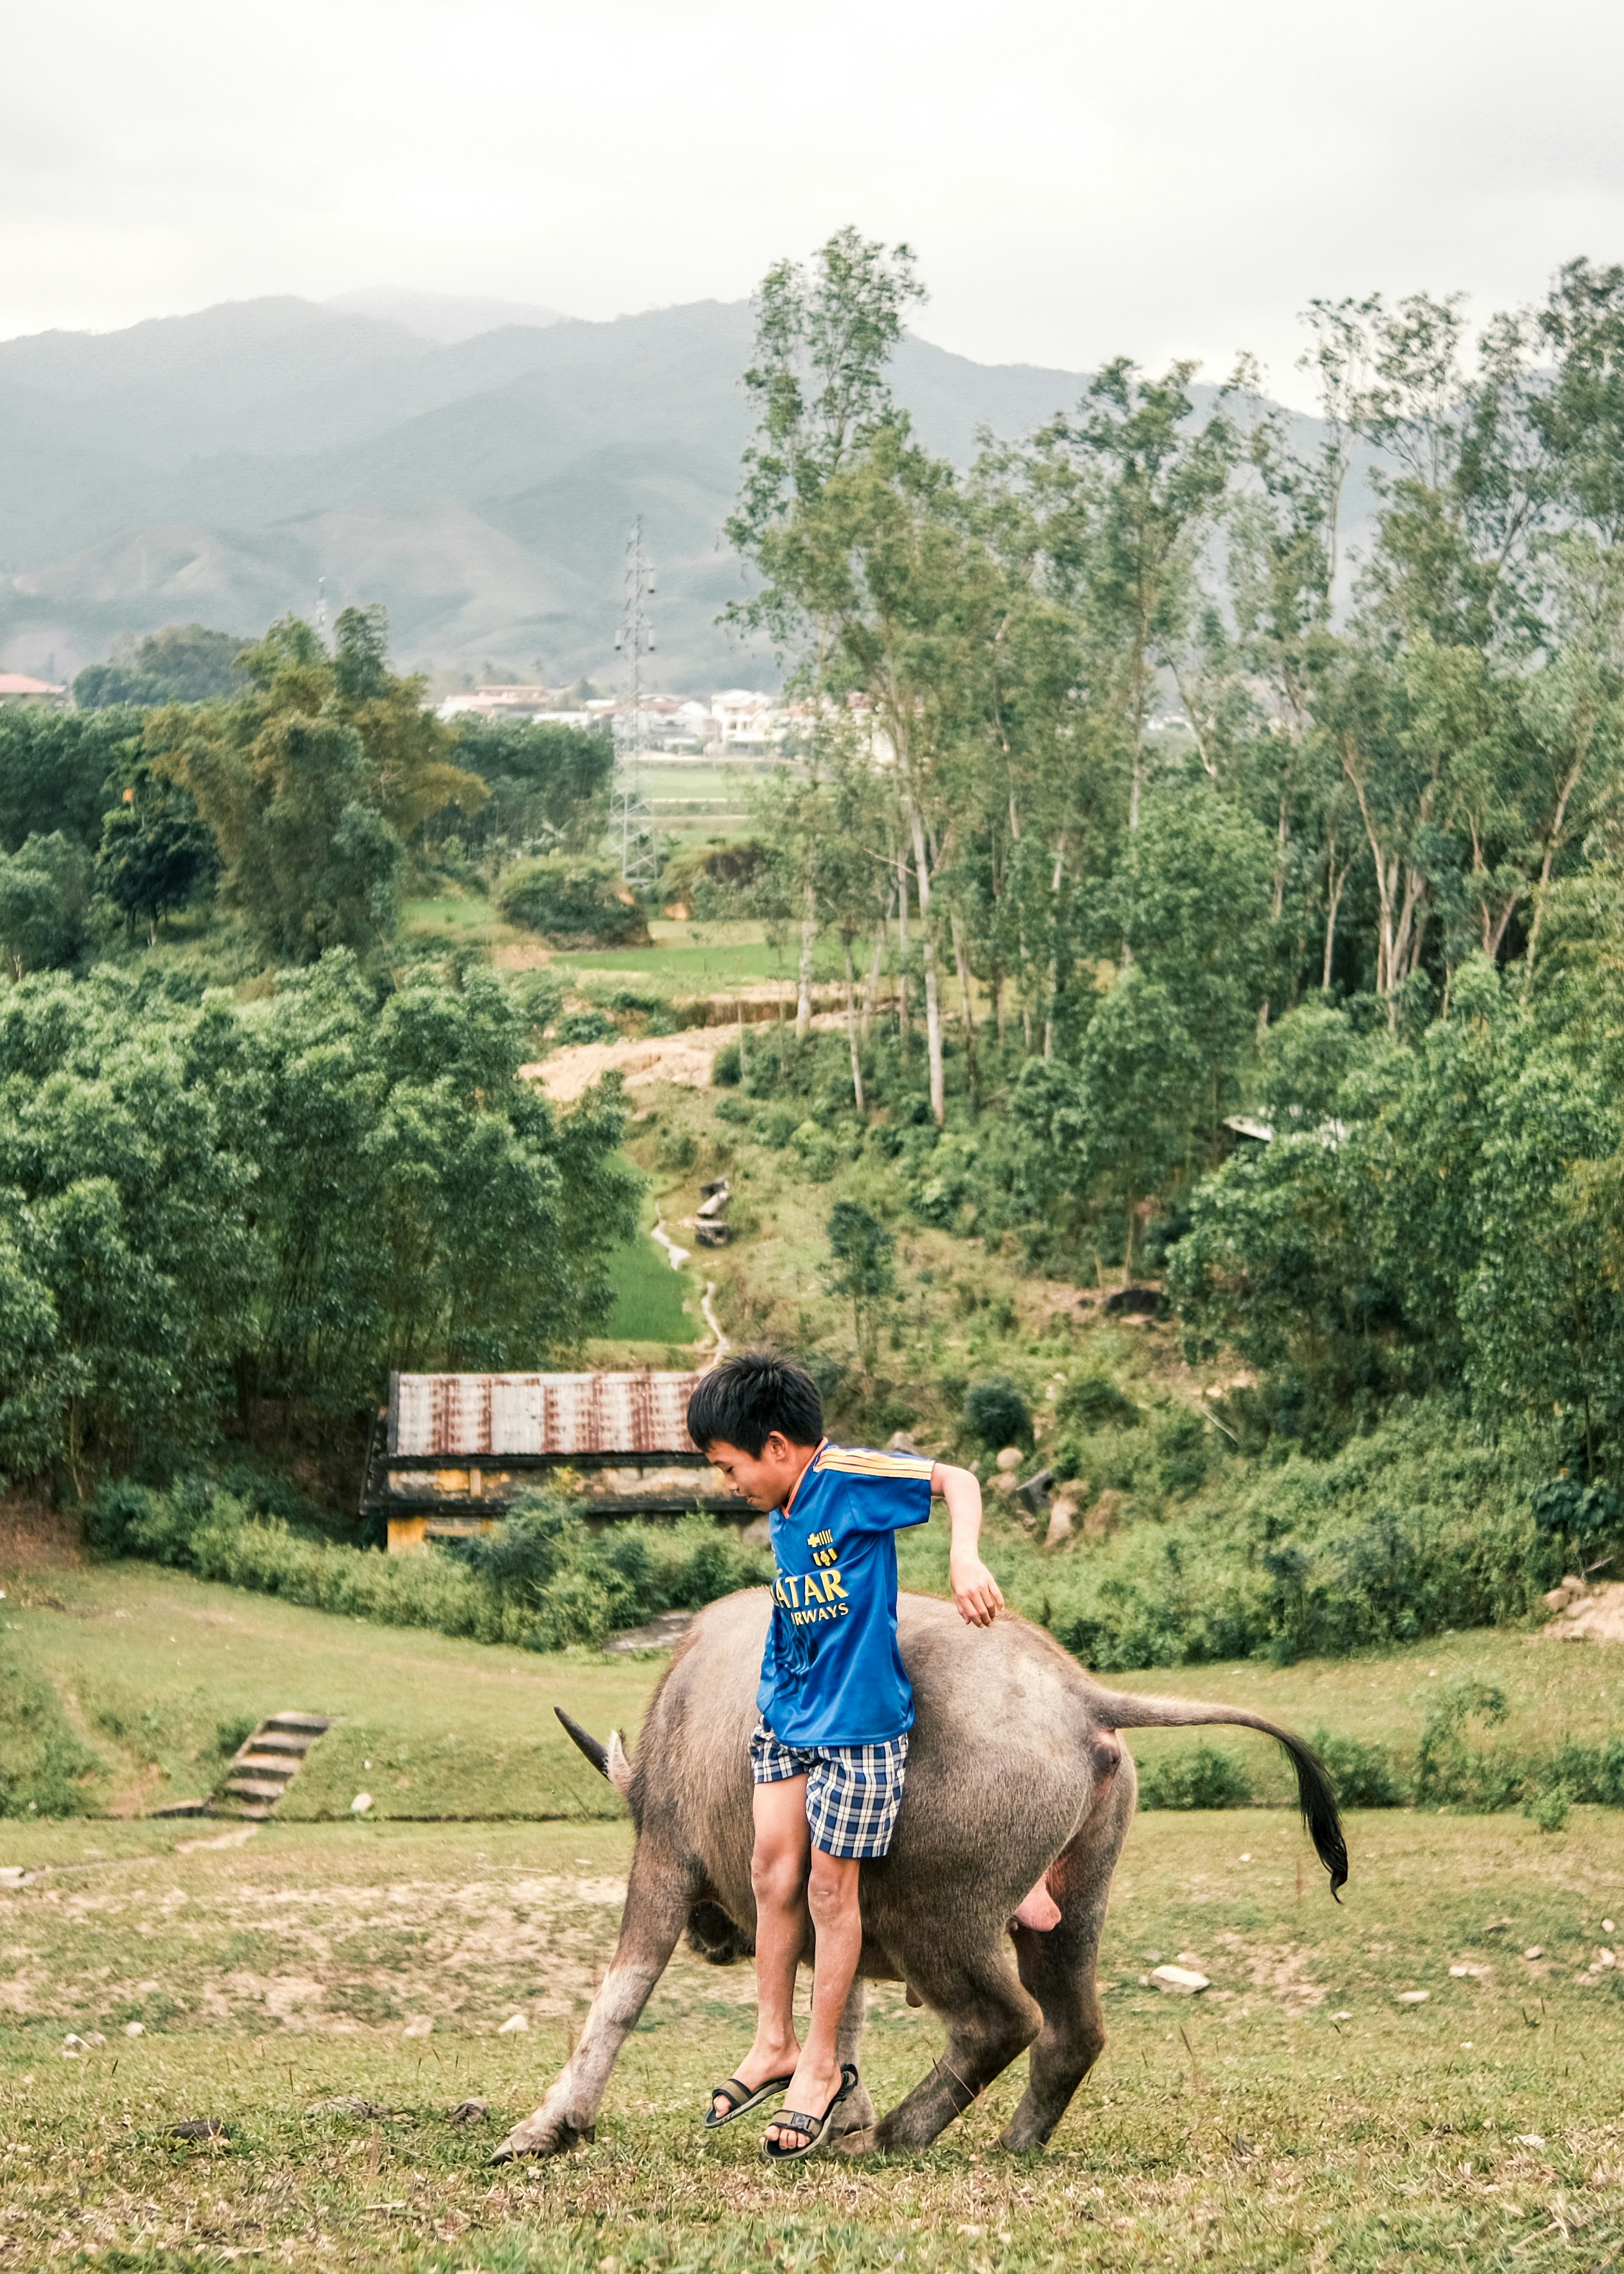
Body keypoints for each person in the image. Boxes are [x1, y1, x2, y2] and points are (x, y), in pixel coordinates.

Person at [685, 1349, 1060, 2162]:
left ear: (778, 1445)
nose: (730, 1483)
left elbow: (958, 1478)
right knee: (768, 1875)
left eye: (730, 1466)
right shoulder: (783, 1499)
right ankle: (774, 2042)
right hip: (787, 1713)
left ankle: (822, 2067)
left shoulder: (850, 1475)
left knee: (829, 1889)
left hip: (859, 1728)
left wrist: (965, 1557)